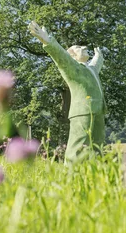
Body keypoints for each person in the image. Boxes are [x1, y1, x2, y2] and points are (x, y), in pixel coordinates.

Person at [28, 21, 105, 163]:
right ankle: (71, 172)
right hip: (82, 111)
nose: (84, 47)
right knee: (78, 145)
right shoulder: (72, 67)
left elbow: (97, 63)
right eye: (79, 47)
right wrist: (48, 41)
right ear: (73, 55)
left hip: (99, 111)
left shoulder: (91, 69)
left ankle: (96, 175)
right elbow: (61, 56)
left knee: (97, 146)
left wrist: (99, 56)